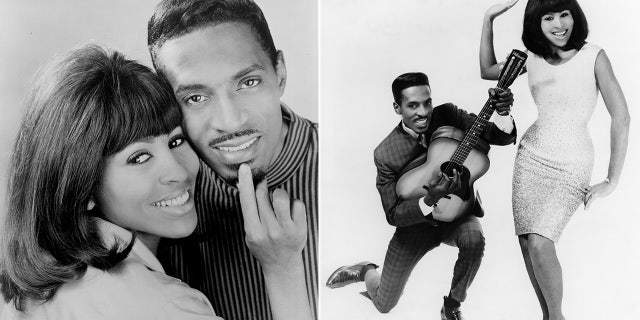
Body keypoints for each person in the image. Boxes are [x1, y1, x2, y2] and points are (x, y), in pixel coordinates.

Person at [0, 44, 311, 320]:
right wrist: (282, 268)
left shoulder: (37, 281)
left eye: (175, 141)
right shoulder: (167, 307)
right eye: (139, 158)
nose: (178, 171)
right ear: (82, 187)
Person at [146, 1, 318, 319]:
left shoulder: (347, 167)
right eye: (196, 97)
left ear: (279, 72)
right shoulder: (164, 196)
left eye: (247, 83)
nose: (231, 122)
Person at [479, 1, 630, 319]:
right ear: (536, 22)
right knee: (527, 244)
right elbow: (487, 71)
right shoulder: (530, 57)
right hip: (531, 158)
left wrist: (611, 180)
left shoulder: (594, 56)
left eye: (565, 14)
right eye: (548, 17)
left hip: (572, 161)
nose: (559, 24)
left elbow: (622, 117)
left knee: (540, 242)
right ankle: (549, 316)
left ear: (575, 16)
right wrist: (489, 17)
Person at [326, 72, 517, 320]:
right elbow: (393, 213)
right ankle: (365, 271)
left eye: (427, 102)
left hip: (457, 213)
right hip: (414, 228)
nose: (424, 112)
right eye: (413, 105)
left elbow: (499, 136)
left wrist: (502, 112)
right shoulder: (386, 153)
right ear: (397, 107)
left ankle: (452, 305)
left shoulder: (448, 115)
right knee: (384, 305)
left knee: (474, 240)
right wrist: (429, 199)